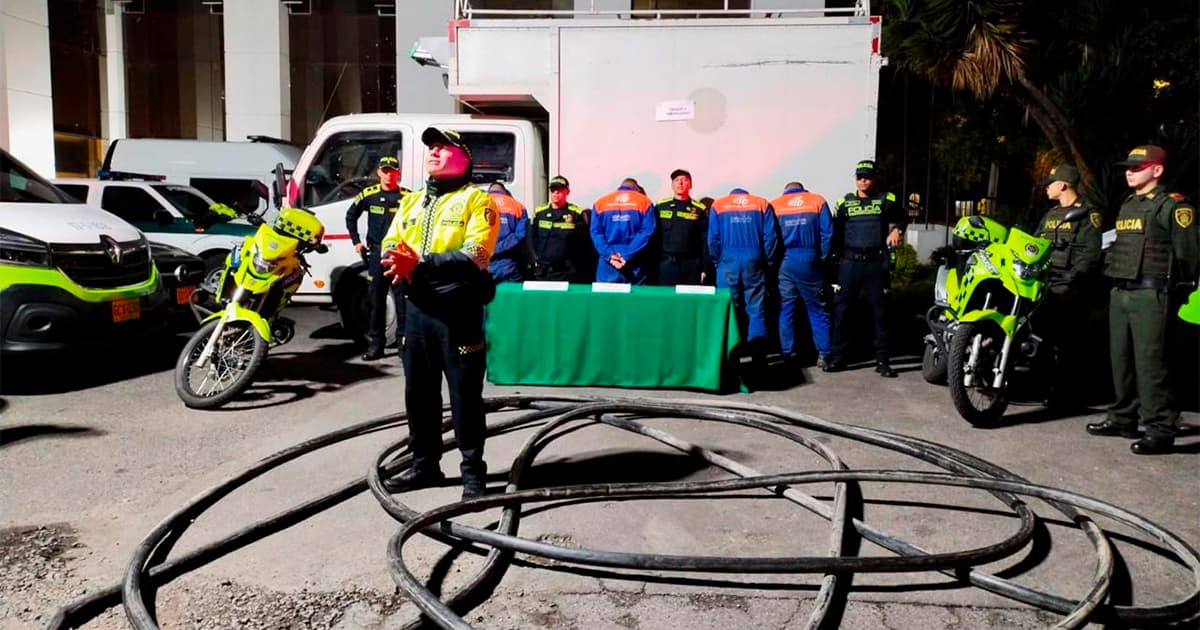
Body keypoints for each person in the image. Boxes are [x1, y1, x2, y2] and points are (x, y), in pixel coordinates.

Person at [379, 127, 500, 498]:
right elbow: (389, 241)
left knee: (464, 396)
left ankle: (472, 475)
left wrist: (421, 262)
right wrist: (395, 259)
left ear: (465, 158)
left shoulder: (478, 201)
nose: (433, 152)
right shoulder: (412, 201)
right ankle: (424, 466)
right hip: (416, 311)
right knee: (419, 394)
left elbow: (477, 255)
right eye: (430, 147)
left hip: (457, 312)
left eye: (443, 147)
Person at [1086, 145, 1198, 455]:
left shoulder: (1173, 207)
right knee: (1120, 360)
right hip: (1121, 291)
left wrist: (1176, 288)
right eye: (1128, 166)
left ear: (1157, 170)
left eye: (1137, 166)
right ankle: (1122, 417)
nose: (1129, 171)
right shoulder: (1128, 205)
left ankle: (1160, 429)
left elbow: (1189, 254)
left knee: (1151, 364)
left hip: (1152, 293)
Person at [825, 160, 905, 377]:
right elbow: (835, 233)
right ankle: (839, 358)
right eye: (859, 176)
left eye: (867, 177)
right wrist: (834, 262)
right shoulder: (844, 203)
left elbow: (902, 217)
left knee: (880, 314)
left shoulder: (886, 199)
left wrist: (897, 229)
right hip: (849, 264)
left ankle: (883, 361)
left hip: (875, 264)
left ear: (875, 178)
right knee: (841, 312)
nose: (863, 180)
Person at [1033, 164, 1103, 404]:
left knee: (1065, 343)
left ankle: (1064, 391)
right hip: (1043, 283)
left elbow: (1091, 254)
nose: (1046, 188)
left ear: (1062, 185)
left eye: (1050, 183)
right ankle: (1040, 384)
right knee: (1041, 337)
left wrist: (1073, 276)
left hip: (1069, 288)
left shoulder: (1087, 213)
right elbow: (1033, 244)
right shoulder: (1050, 215)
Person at [345, 155, 410, 361]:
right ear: (379, 172)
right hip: (376, 254)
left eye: (393, 170)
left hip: (399, 255)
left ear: (398, 173)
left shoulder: (408, 197)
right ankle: (376, 345)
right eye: (385, 170)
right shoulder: (369, 194)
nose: (389, 174)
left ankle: (403, 345)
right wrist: (356, 241)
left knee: (402, 301)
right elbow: (350, 216)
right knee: (376, 300)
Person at [707, 188, 779, 352]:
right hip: (754, 260)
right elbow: (770, 237)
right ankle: (758, 357)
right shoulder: (761, 203)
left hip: (727, 261)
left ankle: (733, 355)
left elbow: (713, 238)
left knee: (729, 309)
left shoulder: (719, 204)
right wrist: (767, 261)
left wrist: (717, 260)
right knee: (756, 308)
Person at [772, 181, 833, 367]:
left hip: (785, 262)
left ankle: (788, 353)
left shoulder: (776, 204)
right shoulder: (817, 200)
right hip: (809, 260)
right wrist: (820, 256)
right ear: (802, 189)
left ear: (786, 190)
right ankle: (824, 354)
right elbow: (827, 233)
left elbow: (771, 237)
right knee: (817, 310)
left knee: (786, 309)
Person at [590, 178, 656, 284]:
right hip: (634, 262)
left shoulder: (600, 203)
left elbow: (596, 233)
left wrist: (610, 255)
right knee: (635, 300)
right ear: (637, 188)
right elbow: (646, 232)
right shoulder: (645, 202)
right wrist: (626, 255)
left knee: (606, 300)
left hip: (608, 264)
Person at [528, 176, 591, 282]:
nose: (556, 193)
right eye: (553, 190)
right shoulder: (539, 213)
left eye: (560, 190)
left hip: (566, 272)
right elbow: (532, 240)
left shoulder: (576, 214)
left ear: (567, 192)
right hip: (543, 272)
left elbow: (583, 244)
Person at [652, 169, 708, 285]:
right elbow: (654, 237)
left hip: (691, 264)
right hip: (666, 264)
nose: (680, 183)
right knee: (666, 300)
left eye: (684, 180)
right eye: (677, 180)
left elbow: (704, 241)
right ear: (672, 185)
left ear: (691, 185)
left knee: (690, 301)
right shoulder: (661, 206)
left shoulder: (699, 209)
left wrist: (704, 267)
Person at [486, 182, 528, 283]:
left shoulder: (479, 204)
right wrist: (497, 249)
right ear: (505, 191)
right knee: (510, 296)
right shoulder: (519, 207)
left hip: (484, 262)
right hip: (508, 265)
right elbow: (519, 236)